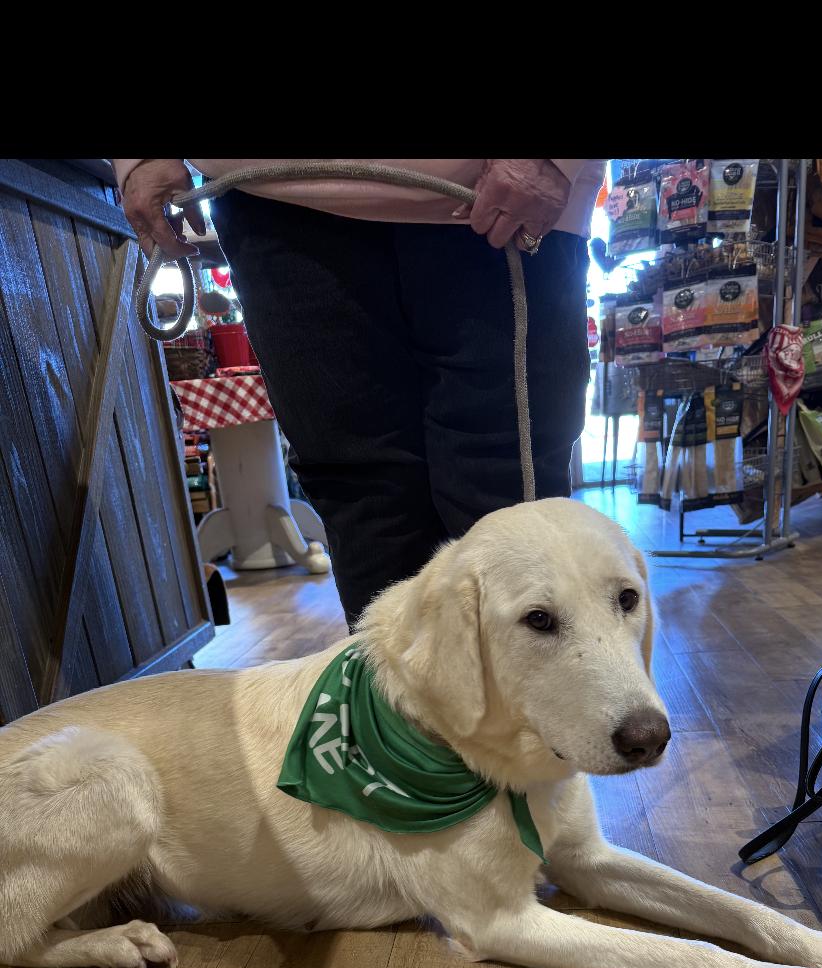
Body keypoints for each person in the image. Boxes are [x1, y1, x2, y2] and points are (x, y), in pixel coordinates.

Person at [115, 157, 606, 625]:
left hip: (492, 202)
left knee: (505, 499)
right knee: (361, 500)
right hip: (269, 202)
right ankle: (390, 690)